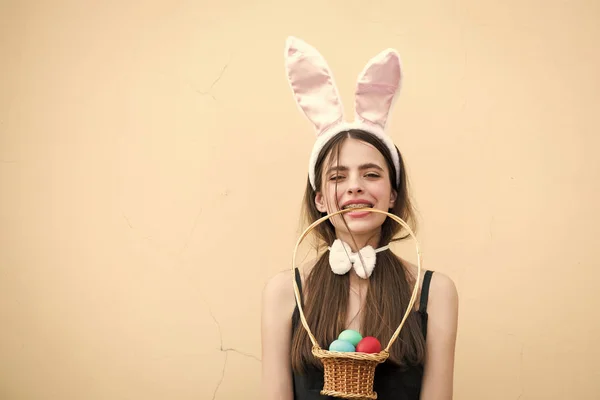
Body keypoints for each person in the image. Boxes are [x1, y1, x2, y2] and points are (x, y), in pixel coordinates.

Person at [261, 37, 459, 400]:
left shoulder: (435, 293)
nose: (354, 188)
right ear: (320, 199)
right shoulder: (284, 292)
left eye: (371, 174)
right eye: (338, 177)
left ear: (393, 193)